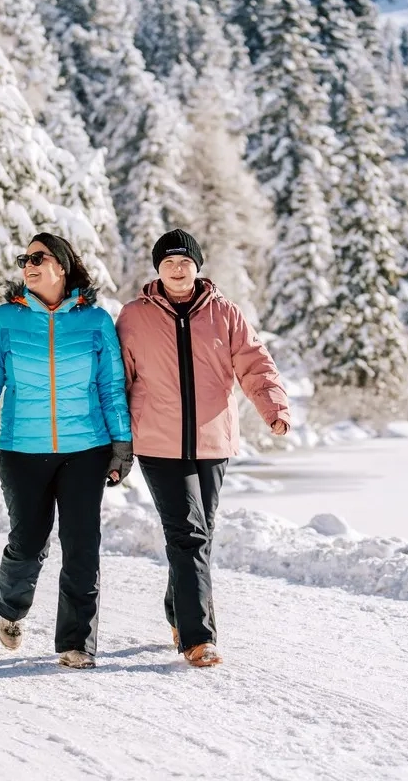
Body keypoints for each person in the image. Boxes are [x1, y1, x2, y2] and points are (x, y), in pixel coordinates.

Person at [116, 229, 290, 668]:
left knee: (200, 534)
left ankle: (178, 610)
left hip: (213, 439)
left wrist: (273, 409)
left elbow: (255, 364)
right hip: (157, 440)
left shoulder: (224, 313)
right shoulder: (134, 316)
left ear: (197, 267)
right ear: (157, 269)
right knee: (188, 534)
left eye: (185, 262)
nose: (177, 269)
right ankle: (198, 638)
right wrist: (115, 438)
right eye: (169, 262)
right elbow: (118, 378)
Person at [0, 233, 132, 669]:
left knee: (82, 544)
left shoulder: (95, 321)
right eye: (24, 259)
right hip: (22, 449)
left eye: (37, 257)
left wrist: (121, 443)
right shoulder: (6, 318)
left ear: (61, 265)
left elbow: (111, 385)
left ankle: (77, 642)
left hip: (87, 448)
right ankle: (10, 607)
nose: (28, 264)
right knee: (27, 542)